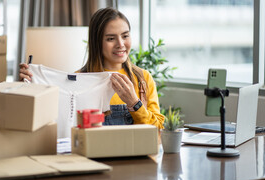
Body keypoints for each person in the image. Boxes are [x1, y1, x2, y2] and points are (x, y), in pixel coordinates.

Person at [19, 7, 164, 129]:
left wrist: (134, 103)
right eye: (111, 38)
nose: (120, 44)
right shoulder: (78, 80)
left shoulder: (142, 79)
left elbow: (158, 131)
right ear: (97, 43)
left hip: (134, 161)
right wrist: (29, 87)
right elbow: (50, 122)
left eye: (125, 36)